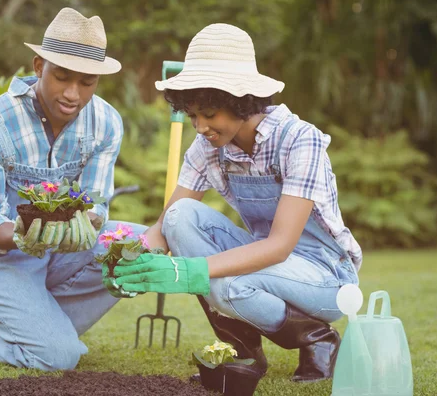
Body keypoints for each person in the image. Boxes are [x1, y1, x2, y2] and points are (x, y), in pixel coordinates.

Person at [107, 23, 362, 383]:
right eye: (192, 115)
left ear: (239, 101)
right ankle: (243, 353)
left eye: (208, 115)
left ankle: (317, 336)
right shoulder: (209, 148)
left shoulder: (298, 141)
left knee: (223, 285)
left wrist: (192, 272)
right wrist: (127, 261)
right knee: (180, 216)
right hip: (263, 261)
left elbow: (279, 246)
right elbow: (167, 225)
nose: (199, 127)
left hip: (325, 277)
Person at [0, 8, 146, 371]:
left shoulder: (105, 123)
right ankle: (10, 330)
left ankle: (15, 321)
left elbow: (96, 204)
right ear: (39, 66)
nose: (73, 94)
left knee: (136, 243)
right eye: (62, 77)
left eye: (87, 83)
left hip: (58, 248)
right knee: (61, 357)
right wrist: (31, 234)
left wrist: (83, 224)